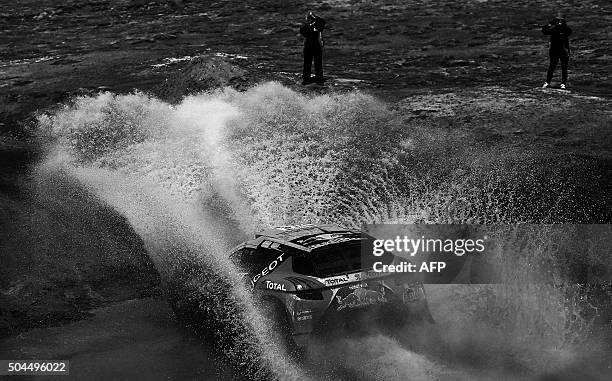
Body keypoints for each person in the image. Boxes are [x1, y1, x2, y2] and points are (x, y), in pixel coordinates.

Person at [541, 16, 572, 89]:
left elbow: (569, 31)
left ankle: (563, 83)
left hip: (563, 51)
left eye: (561, 21)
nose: (559, 23)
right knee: (552, 66)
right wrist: (550, 24)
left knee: (564, 67)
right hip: (554, 51)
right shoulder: (554, 30)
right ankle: (547, 82)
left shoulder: (565, 30)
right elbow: (544, 31)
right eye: (558, 22)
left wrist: (559, 24)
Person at [300, 12, 326, 85]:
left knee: (318, 64)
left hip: (317, 47)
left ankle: (319, 79)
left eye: (311, 19)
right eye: (309, 19)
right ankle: (306, 79)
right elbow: (302, 31)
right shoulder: (305, 26)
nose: (310, 20)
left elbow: (323, 22)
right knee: (307, 64)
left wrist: (315, 17)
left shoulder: (317, 25)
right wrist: (312, 27)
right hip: (308, 47)